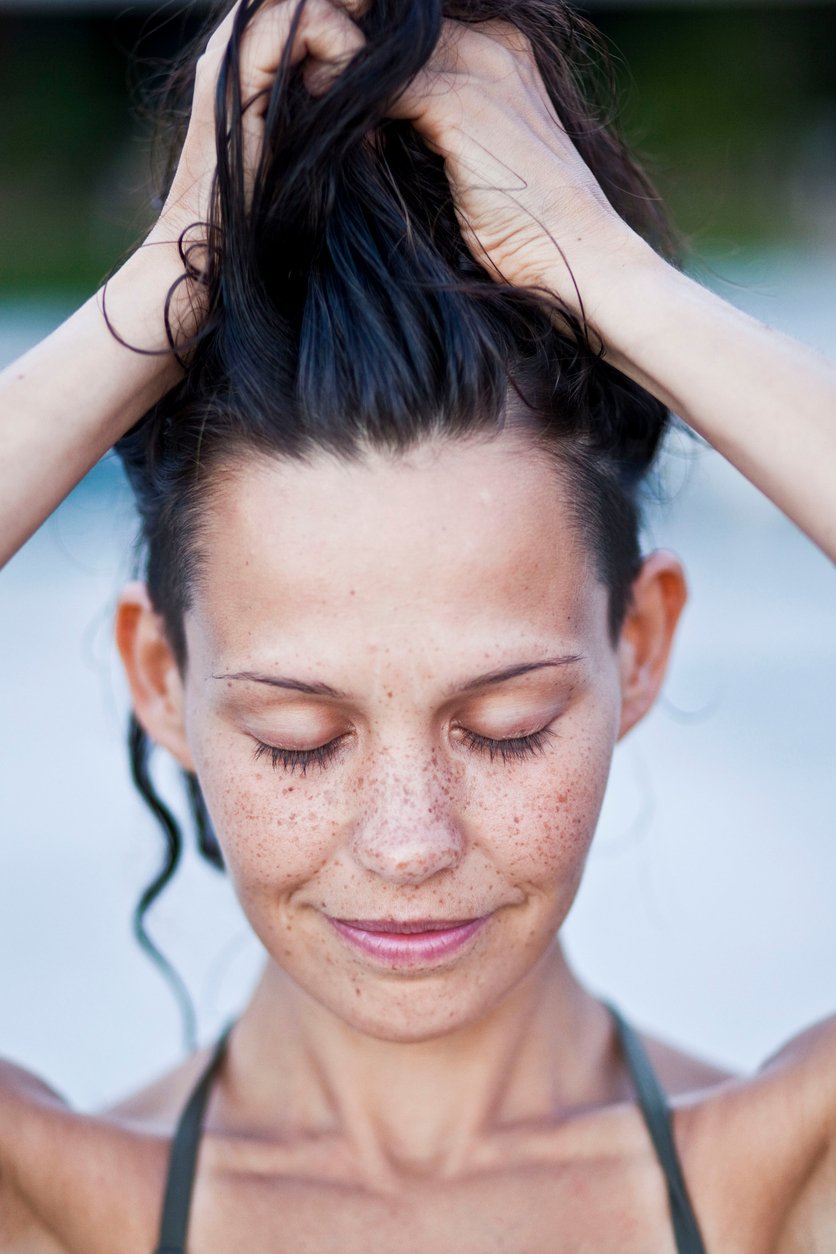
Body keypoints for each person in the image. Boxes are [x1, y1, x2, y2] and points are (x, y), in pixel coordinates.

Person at [1, 0, 834, 1249]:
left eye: (504, 725)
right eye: (296, 734)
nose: (407, 844)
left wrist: (603, 276)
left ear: (639, 642)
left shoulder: (776, 1181)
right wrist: (170, 272)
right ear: (157, 675)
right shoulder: (58, 1205)